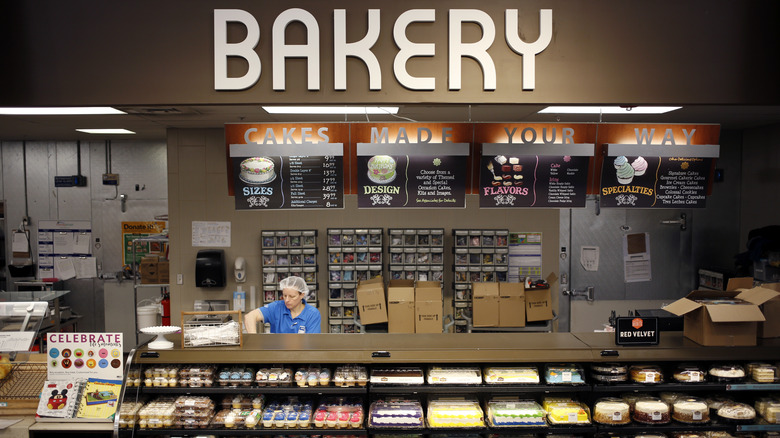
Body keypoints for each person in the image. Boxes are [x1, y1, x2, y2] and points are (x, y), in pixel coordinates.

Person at [244, 276, 321, 333]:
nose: (287, 300)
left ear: (302, 295)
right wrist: (253, 339)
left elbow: (312, 343)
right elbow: (250, 317)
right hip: (277, 353)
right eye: (284, 295)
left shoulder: (312, 314)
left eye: (292, 296)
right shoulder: (276, 307)